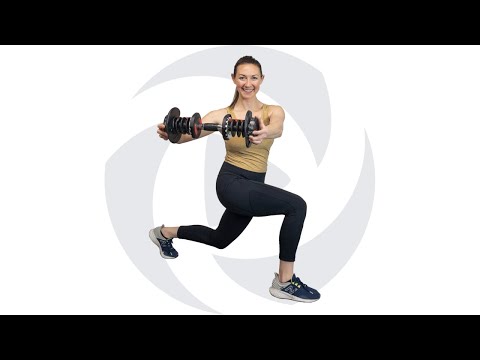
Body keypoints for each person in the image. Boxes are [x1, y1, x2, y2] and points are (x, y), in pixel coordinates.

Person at [150, 55, 320, 303]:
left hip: (252, 186)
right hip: (231, 183)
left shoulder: (272, 112)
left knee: (220, 240)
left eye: (253, 77)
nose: (248, 83)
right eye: (242, 77)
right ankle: (284, 282)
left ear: (262, 80)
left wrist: (265, 131)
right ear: (234, 79)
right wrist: (172, 133)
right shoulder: (222, 115)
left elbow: (277, 128)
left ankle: (163, 233)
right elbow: (192, 133)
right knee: (297, 205)